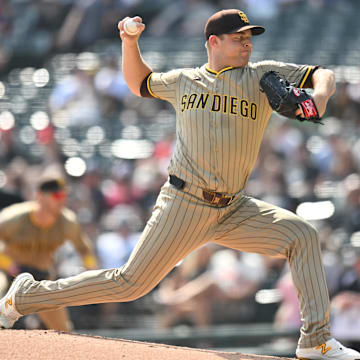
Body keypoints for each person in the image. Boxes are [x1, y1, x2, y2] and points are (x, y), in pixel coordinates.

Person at [0, 8, 359, 359]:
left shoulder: (262, 76)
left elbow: (321, 73)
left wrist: (320, 97)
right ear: (213, 42)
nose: (248, 44)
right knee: (130, 285)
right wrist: (129, 42)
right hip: (184, 203)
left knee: (303, 236)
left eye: (250, 38)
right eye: (239, 38)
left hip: (234, 207)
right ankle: (28, 295)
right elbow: (139, 82)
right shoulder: (185, 80)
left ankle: (315, 340)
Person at [0, 175, 97, 331]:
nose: (62, 200)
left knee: (63, 330)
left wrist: (92, 273)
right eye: (57, 195)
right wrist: (8, 264)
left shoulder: (67, 222)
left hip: (41, 279)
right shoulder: (13, 218)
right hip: (9, 274)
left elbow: (85, 250)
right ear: (39, 196)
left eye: (64, 195)